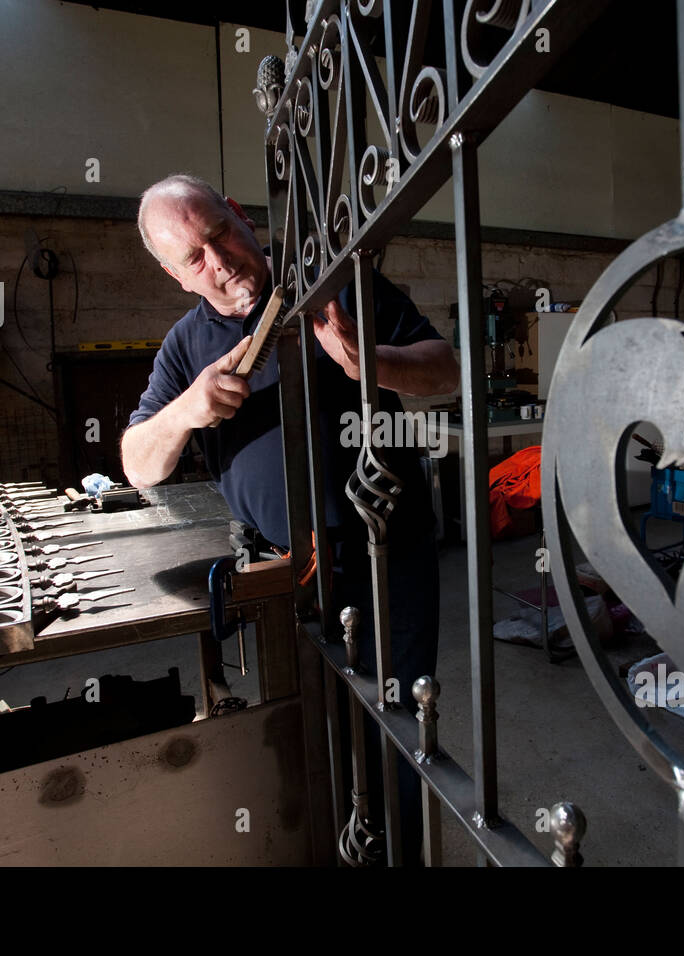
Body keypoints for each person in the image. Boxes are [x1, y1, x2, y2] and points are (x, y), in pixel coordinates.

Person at [121, 174, 458, 864]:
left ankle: (396, 856)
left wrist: (375, 362)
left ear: (240, 217)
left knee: (396, 731)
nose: (218, 262)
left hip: (385, 555)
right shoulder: (186, 347)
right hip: (284, 575)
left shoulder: (334, 285)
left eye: (219, 236)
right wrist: (188, 409)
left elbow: (445, 369)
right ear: (174, 275)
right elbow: (136, 462)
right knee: (305, 735)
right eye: (194, 259)